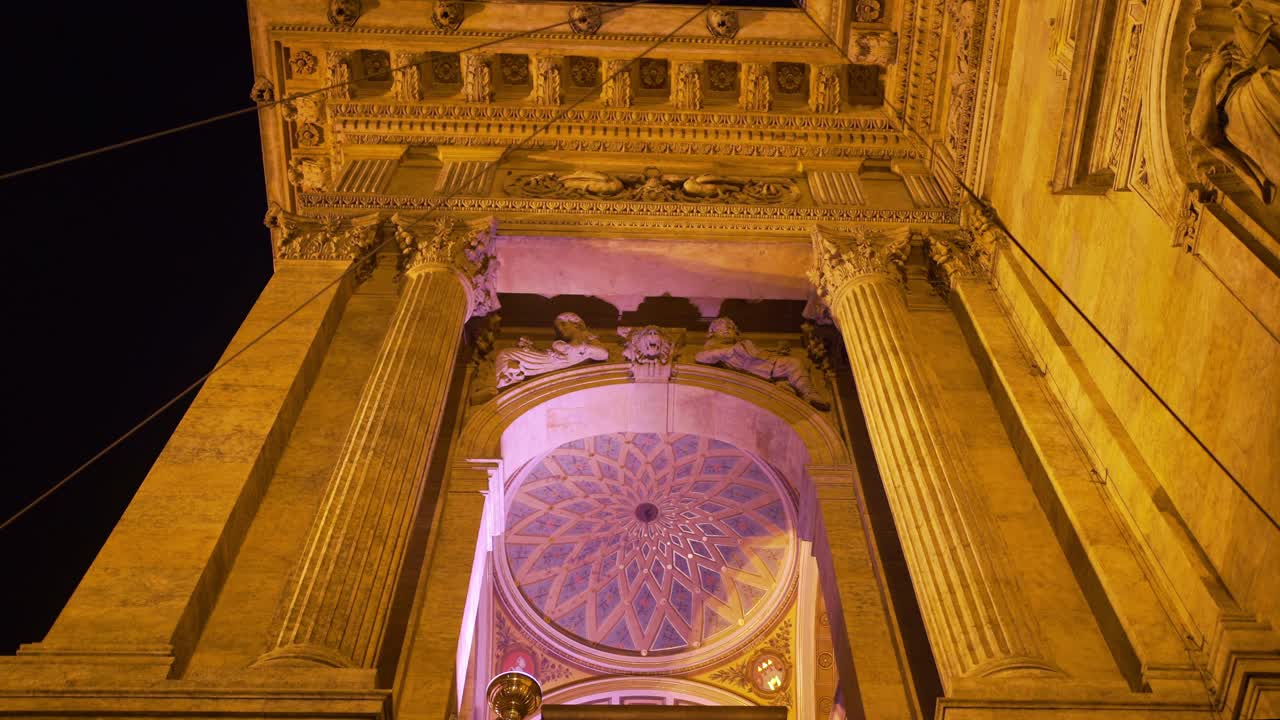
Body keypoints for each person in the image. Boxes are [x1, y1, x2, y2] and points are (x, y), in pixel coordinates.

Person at [1190, 0, 1280, 203]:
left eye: (1234, 50)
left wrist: (1254, 24)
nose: (1234, 55)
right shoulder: (1224, 115)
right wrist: (1209, 78)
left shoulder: (1264, 75)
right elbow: (1200, 131)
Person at [695, 317, 831, 410]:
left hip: (764, 365)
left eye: (730, 328)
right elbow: (701, 357)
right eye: (723, 329)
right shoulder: (714, 346)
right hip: (755, 371)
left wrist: (777, 351)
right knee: (793, 363)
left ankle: (806, 392)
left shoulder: (742, 343)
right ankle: (806, 392)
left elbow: (758, 354)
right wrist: (730, 351)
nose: (728, 331)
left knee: (798, 363)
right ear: (713, 332)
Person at [495, 312, 609, 389]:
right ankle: (510, 379)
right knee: (506, 354)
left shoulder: (586, 336)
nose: (560, 329)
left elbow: (603, 353)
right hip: (552, 360)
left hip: (558, 361)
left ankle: (506, 381)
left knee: (506, 354)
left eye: (563, 324)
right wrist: (532, 348)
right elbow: (552, 354)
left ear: (576, 324)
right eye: (558, 327)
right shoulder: (567, 342)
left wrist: (577, 349)